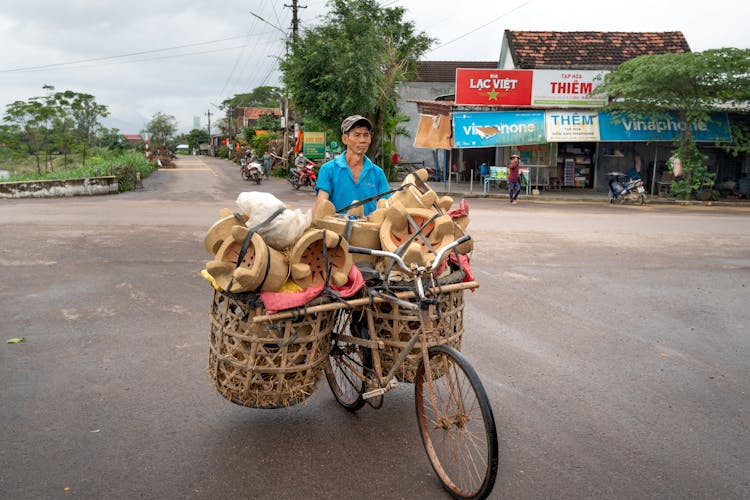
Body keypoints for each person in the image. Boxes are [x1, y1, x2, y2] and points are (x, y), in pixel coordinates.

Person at [312, 115, 390, 219]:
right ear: (345, 139)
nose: (362, 140)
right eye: (357, 135)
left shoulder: (378, 173)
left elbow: (387, 206)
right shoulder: (328, 170)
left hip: (368, 231)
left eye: (366, 135)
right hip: (336, 232)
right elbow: (321, 207)